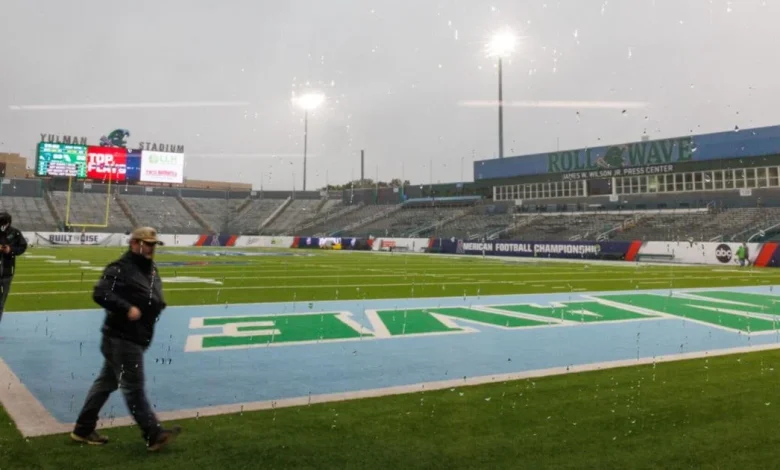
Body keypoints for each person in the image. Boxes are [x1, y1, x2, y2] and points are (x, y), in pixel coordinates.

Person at [71, 227, 181, 451]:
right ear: (134, 243)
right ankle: (153, 433)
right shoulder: (120, 268)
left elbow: (152, 295)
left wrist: (158, 304)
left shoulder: (148, 268)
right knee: (133, 387)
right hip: (122, 337)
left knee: (106, 383)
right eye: (147, 244)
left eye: (153, 244)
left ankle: (82, 429)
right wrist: (127, 308)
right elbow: (100, 292)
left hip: (134, 336)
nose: (151, 248)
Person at [0, 211, 27, 325]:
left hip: (7, 271)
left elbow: (22, 246)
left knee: (1, 303)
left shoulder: (15, 233)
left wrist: (10, 250)